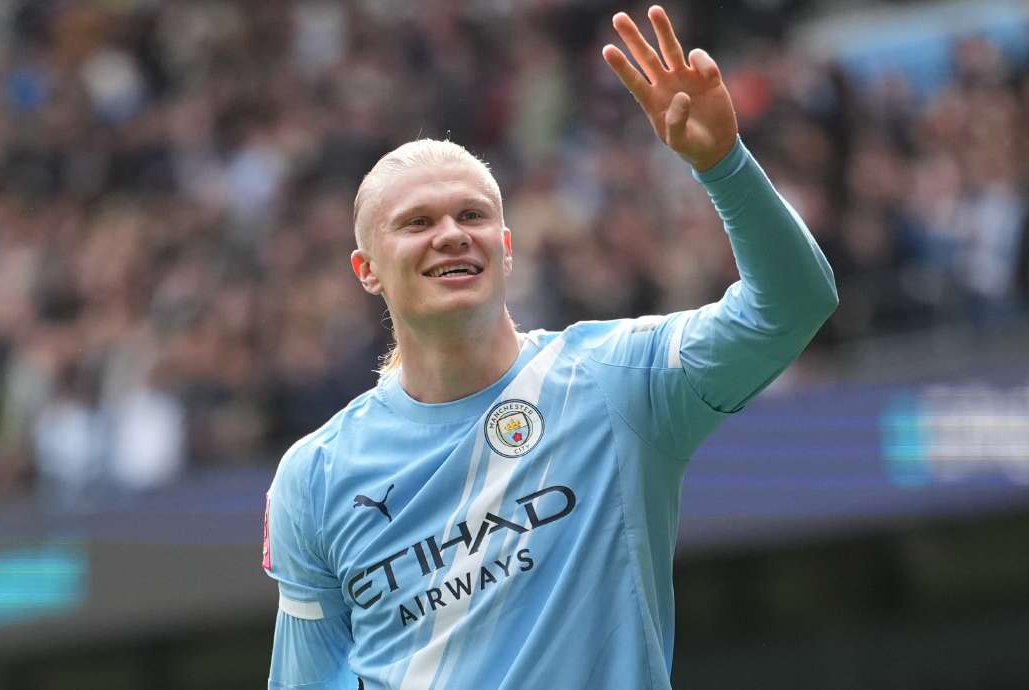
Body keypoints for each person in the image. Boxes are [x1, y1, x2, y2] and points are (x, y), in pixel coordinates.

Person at [262, 6, 837, 689]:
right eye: (416, 222)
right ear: (366, 271)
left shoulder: (613, 381)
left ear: (506, 249)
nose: (450, 233)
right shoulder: (315, 477)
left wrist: (723, 166)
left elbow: (792, 306)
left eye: (472, 215)